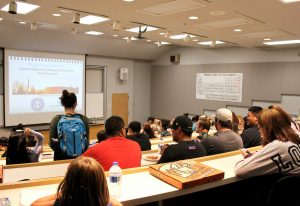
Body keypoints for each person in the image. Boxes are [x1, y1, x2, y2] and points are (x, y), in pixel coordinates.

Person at [235, 105, 300, 178]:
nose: (260, 131)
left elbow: (240, 171)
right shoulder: (296, 136)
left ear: (267, 128)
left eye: (259, 127)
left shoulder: (278, 145)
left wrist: (247, 157)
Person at [31, 156, 122, 206]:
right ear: (101, 183)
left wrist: (59, 195)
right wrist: (102, 194)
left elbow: (34, 204)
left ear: (69, 184)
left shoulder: (62, 203)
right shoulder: (106, 203)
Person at [49, 90, 90, 160]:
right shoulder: (84, 119)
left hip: (61, 159)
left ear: (63, 104)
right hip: (80, 160)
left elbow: (52, 144)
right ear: (75, 104)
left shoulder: (56, 120)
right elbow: (87, 143)